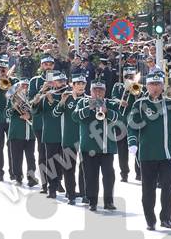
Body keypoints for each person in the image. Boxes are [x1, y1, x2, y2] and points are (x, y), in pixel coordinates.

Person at [127, 72, 171, 230]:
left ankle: (166, 218)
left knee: (168, 187)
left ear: (163, 86)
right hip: (147, 154)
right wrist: (133, 143)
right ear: (147, 86)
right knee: (148, 189)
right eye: (152, 84)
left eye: (158, 84)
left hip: (166, 154)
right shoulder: (140, 104)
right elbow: (132, 126)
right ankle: (150, 220)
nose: (155, 87)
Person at [73, 80, 119, 212]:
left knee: (109, 176)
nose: (98, 92)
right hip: (89, 147)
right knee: (90, 176)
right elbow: (75, 116)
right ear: (90, 91)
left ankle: (109, 201)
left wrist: (107, 111)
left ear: (105, 91)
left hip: (107, 147)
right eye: (95, 90)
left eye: (101, 90)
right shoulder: (82, 102)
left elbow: (120, 119)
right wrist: (89, 108)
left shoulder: (111, 103)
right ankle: (92, 201)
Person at [52, 73, 86, 204]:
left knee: (85, 168)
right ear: (73, 85)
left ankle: (84, 194)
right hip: (68, 139)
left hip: (85, 140)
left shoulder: (88, 99)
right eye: (78, 84)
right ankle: (71, 194)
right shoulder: (66, 98)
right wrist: (61, 101)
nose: (81, 86)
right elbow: (55, 114)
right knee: (68, 169)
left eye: (83, 84)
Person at [33, 71, 66, 198]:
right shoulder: (45, 95)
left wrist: (53, 101)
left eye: (63, 81)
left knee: (62, 161)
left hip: (65, 134)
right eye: (59, 81)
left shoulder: (67, 94)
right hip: (49, 133)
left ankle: (58, 182)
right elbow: (34, 109)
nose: (61, 83)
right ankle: (49, 186)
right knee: (48, 160)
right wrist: (42, 91)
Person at [27, 56, 55, 192]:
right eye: (46, 64)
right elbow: (31, 102)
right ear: (41, 66)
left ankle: (56, 181)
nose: (48, 66)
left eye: (50, 64)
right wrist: (42, 90)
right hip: (39, 123)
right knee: (43, 153)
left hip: (55, 122)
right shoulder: (35, 80)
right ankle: (45, 183)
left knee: (57, 154)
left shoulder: (59, 79)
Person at [111, 67, 141, 182]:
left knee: (137, 146)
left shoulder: (137, 86)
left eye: (131, 76)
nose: (129, 78)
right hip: (121, 122)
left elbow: (140, 97)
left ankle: (139, 172)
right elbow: (113, 98)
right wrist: (120, 101)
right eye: (127, 77)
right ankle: (124, 173)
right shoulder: (118, 86)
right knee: (122, 150)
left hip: (134, 122)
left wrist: (134, 88)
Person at [6, 79, 37, 187]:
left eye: (26, 86)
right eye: (22, 85)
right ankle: (18, 177)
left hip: (30, 134)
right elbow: (6, 114)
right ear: (18, 87)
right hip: (16, 133)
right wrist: (13, 106)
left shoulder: (31, 98)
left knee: (31, 158)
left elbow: (36, 112)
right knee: (16, 157)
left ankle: (31, 178)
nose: (24, 87)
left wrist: (30, 116)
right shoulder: (12, 99)